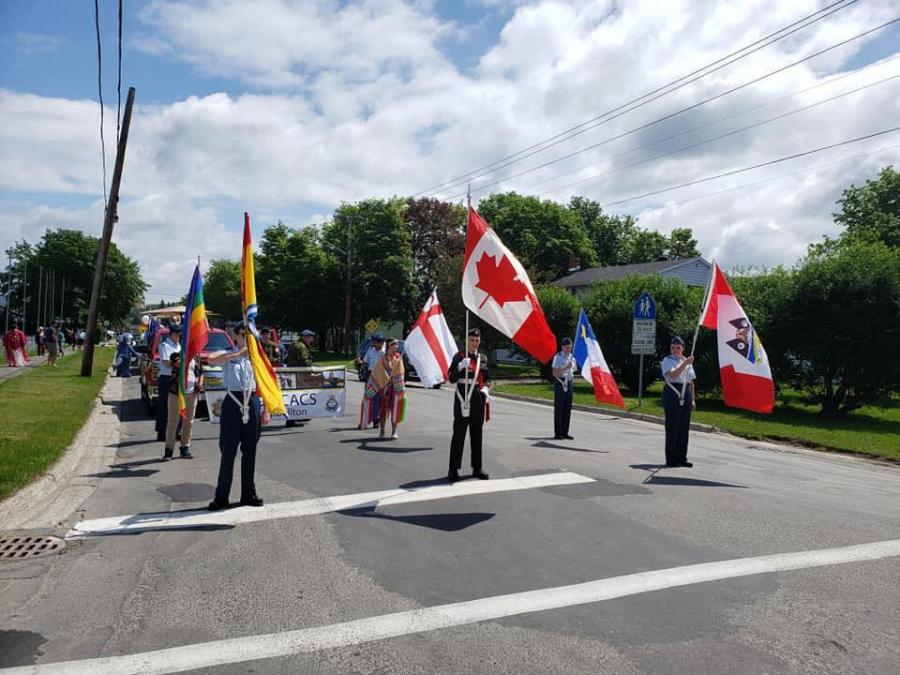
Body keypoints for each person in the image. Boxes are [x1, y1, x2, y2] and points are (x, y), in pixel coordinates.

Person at [206, 321, 271, 511]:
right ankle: (221, 496)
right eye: (243, 333)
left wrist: (266, 408)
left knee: (250, 451)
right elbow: (211, 359)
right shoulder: (229, 353)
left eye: (250, 334)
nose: (247, 337)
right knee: (228, 452)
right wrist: (237, 354)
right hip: (232, 402)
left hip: (251, 401)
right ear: (236, 335)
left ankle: (248, 493)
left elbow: (265, 383)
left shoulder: (258, 356)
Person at [447, 328, 491, 482]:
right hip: (462, 399)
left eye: (477, 340)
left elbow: (488, 378)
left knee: (477, 435)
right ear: (467, 341)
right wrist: (459, 367)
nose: (474, 343)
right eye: (472, 340)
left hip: (478, 400)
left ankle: (477, 468)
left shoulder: (483, 358)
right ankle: (453, 469)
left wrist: (486, 388)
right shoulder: (459, 356)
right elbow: (451, 378)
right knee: (458, 435)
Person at [359, 338, 406, 439]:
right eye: (395, 344)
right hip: (384, 388)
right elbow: (377, 372)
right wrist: (385, 378)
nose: (397, 347)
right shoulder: (383, 358)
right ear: (389, 346)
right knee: (383, 411)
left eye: (397, 345)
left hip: (395, 388)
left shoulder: (398, 357)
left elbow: (401, 373)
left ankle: (394, 432)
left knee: (395, 409)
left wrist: (395, 373)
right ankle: (382, 431)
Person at [661, 336, 697, 468]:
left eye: (678, 347)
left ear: (683, 349)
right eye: (673, 347)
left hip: (685, 391)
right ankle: (671, 459)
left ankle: (682, 457)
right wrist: (685, 363)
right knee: (673, 428)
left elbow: (691, 382)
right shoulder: (668, 360)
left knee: (683, 428)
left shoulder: (687, 361)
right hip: (673, 392)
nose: (675, 350)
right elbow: (673, 375)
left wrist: (692, 399)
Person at [162, 351, 203, 461]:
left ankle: (185, 447)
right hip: (176, 393)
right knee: (172, 423)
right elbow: (177, 364)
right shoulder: (176, 356)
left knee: (188, 422)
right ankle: (169, 450)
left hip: (191, 394)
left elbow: (200, 372)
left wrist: (199, 383)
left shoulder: (196, 357)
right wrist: (186, 357)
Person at [155, 324, 182, 442]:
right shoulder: (165, 346)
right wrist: (179, 364)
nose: (180, 338)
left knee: (179, 406)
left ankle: (177, 431)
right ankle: (161, 432)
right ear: (173, 334)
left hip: (178, 378)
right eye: (179, 335)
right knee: (164, 407)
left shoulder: (178, 345)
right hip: (167, 378)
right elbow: (166, 362)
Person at [552, 337, 575, 440]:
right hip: (560, 383)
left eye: (570, 348)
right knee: (559, 409)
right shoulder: (558, 357)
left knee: (567, 409)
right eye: (566, 347)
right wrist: (566, 367)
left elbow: (573, 371)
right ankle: (558, 432)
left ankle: (565, 432)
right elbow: (554, 373)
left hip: (569, 383)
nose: (568, 350)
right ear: (562, 347)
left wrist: (570, 367)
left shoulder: (572, 357)